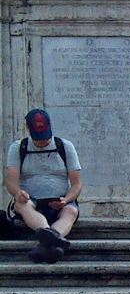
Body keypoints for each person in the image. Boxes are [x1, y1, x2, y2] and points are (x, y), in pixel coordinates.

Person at [4, 108, 82, 263]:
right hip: (31, 200)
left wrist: (66, 200)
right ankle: (51, 236)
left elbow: (77, 183)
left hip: (59, 200)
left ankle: (47, 241)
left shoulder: (65, 146)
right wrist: (18, 193)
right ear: (28, 129)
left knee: (71, 211)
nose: (42, 141)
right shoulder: (18, 148)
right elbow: (11, 181)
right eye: (38, 138)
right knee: (22, 205)